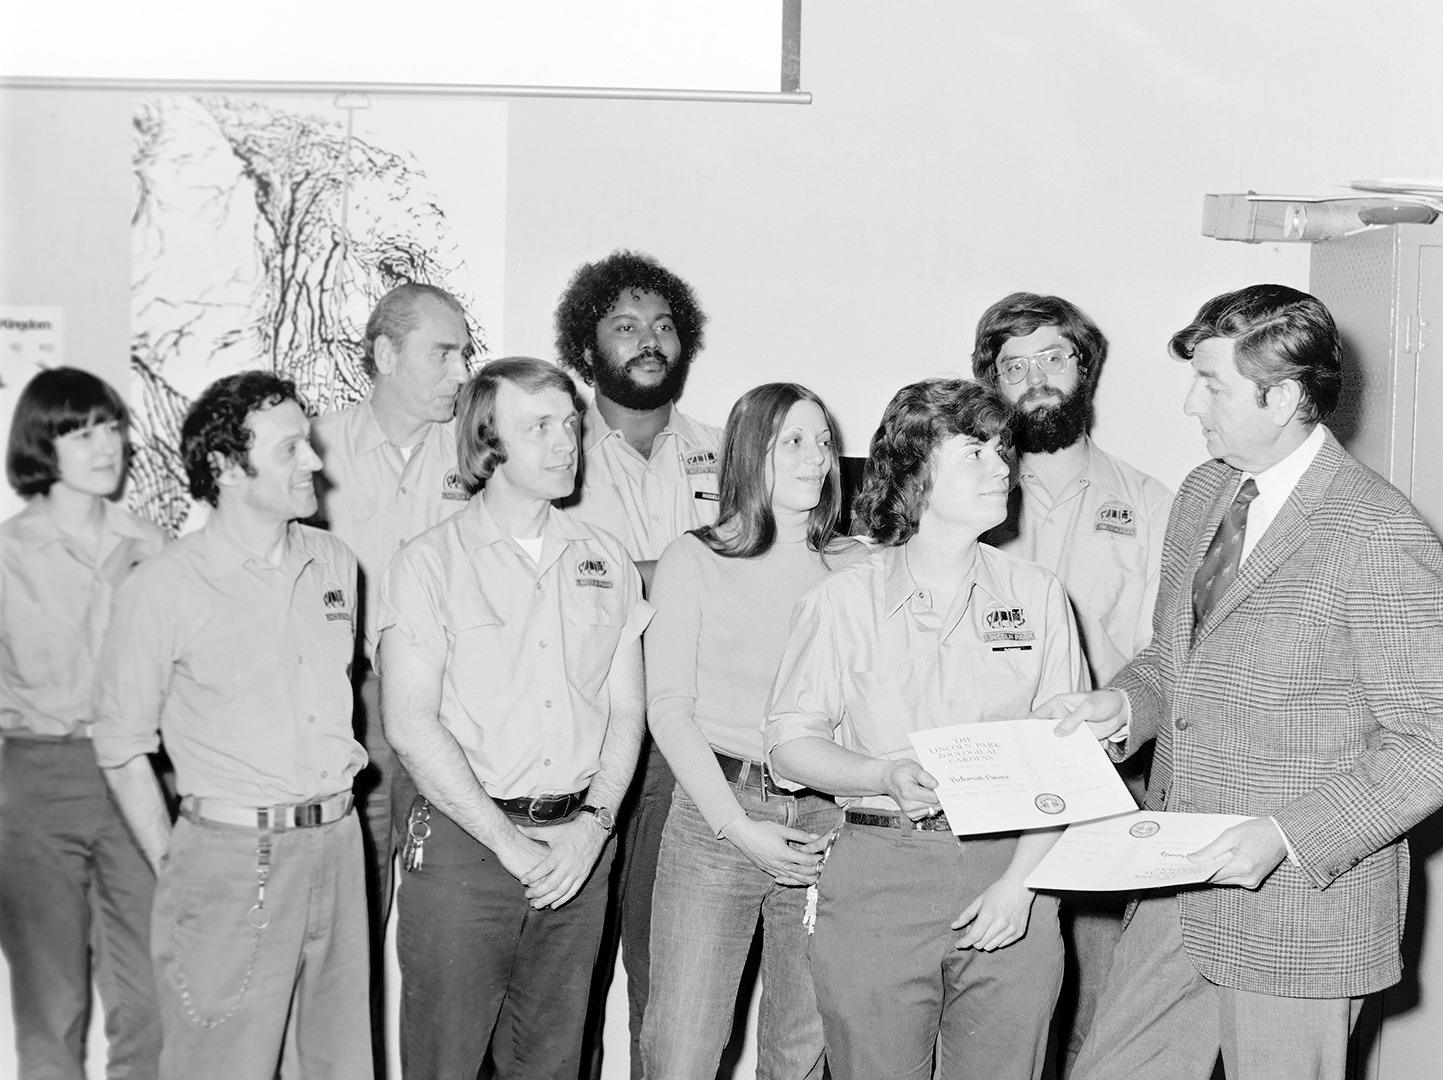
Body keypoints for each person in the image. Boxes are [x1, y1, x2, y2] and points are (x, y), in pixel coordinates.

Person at [1049, 285, 1443, 1080]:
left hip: (1298, 902)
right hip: (1177, 887)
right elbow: (1173, 657)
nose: (1191, 405)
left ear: (1285, 397)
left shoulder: (1378, 531)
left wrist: (1284, 837)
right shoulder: (1204, 492)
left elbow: (1428, 748)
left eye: (1212, 385)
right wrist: (1125, 702)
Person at [764, 378, 1089, 1080]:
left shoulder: (1037, 595)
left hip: (1012, 872)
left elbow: (1067, 763)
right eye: (973, 451)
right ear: (914, 473)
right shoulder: (841, 602)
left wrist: (1024, 889)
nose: (1001, 466)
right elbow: (789, 743)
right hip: (880, 875)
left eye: (1001, 449)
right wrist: (878, 773)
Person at [94, 371, 371, 1080]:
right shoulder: (162, 587)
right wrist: (177, 862)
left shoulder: (335, 563)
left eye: (308, 443)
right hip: (230, 859)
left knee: (341, 1066)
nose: (314, 461)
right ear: (224, 467)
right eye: (290, 450)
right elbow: (121, 745)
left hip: (339, 847)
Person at [379, 357, 651, 1079]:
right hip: (468, 849)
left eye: (568, 424)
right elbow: (409, 725)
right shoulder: (426, 564)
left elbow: (628, 710)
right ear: (485, 441)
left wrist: (592, 831)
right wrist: (507, 843)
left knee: (553, 1065)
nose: (566, 441)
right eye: (538, 427)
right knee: (446, 1063)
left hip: (576, 850)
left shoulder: (606, 559)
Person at [971, 291, 1172, 1072]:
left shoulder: (1151, 504)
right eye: (1012, 365)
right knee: (991, 1007)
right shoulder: (970, 496)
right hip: (982, 789)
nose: (1035, 378)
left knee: (1098, 1006)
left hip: (1107, 787)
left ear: (1084, 368)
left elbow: (1171, 649)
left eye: (1052, 357)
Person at [642, 383, 863, 1079]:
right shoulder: (693, 560)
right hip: (718, 820)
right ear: (748, 451)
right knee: (680, 1052)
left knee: (799, 1054)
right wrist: (739, 828)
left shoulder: (858, 567)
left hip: (828, 826)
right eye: (791, 441)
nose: (814, 457)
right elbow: (669, 711)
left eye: (822, 442)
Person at [554, 249, 720, 1076]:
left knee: (668, 970)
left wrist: (632, 575)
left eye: (662, 325)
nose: (648, 340)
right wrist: (682, 573)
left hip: (692, 740)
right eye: (624, 326)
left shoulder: (732, 451)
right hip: (578, 737)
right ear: (586, 350)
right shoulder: (551, 450)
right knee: (563, 974)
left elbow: (761, 578)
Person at [310, 282, 474, 1059]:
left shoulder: (481, 461)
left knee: (448, 929)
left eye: (465, 353)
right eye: (444, 352)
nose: (460, 370)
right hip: (348, 716)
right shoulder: (312, 456)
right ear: (383, 354)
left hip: (456, 714)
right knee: (350, 927)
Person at [0, 368, 165, 1080]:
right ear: (42, 442)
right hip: (36, 780)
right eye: (78, 431)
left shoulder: (153, 545)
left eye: (110, 427)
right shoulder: (6, 554)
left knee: (152, 1000)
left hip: (137, 780)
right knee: (52, 1004)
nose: (105, 446)